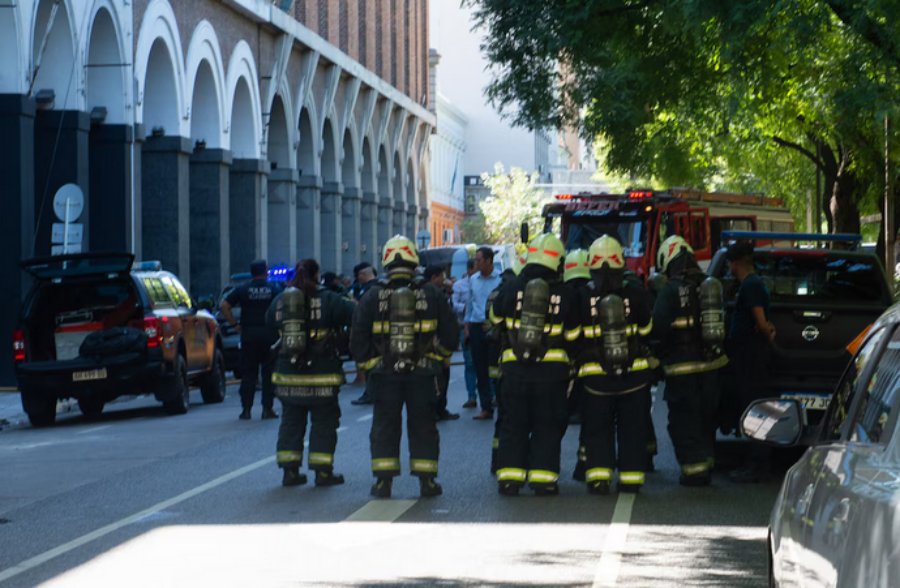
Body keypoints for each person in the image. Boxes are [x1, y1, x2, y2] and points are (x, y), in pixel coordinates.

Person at [350, 235, 458, 498]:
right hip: (423, 375)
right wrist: (436, 359)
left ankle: (382, 483)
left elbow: (357, 338)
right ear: (413, 259)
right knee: (423, 426)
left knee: (384, 427)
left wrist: (371, 365)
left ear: (386, 260)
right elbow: (451, 334)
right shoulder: (432, 292)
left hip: (385, 375)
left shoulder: (372, 295)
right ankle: (427, 482)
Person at [491, 233, 579, 496]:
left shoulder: (511, 287)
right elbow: (574, 335)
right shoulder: (566, 292)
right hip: (551, 375)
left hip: (514, 370)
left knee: (513, 424)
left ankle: (509, 479)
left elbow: (495, 319)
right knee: (547, 425)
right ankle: (543, 479)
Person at [574, 235, 655, 494]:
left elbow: (572, 336)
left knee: (598, 429)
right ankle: (631, 480)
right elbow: (647, 329)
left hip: (596, 379)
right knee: (632, 429)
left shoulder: (582, 296)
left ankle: (598, 479)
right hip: (634, 378)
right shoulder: (636, 292)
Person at [266, 259, 355, 487]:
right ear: (317, 275)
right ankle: (323, 473)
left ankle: (289, 472)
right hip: (322, 374)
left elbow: (269, 321)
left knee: (291, 423)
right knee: (324, 423)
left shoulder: (281, 300)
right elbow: (354, 314)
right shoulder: (329, 299)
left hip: (288, 375)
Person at [652, 235, 729, 486]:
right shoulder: (710, 285)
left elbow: (659, 329)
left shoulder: (670, 290)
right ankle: (706, 462)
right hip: (713, 367)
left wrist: (658, 356)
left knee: (683, 421)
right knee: (706, 418)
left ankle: (694, 471)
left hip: (682, 369)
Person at [725, 240, 775, 483]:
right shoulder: (752, 284)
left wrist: (768, 332)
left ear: (735, 264)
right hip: (751, 355)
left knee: (754, 408)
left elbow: (760, 321)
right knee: (754, 406)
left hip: (751, 356)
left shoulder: (751, 285)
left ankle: (757, 463)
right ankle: (756, 460)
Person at [221, 259, 281, 420]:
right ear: (266, 271)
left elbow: (224, 305)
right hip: (269, 334)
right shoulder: (274, 289)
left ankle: (246, 409)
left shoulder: (243, 289)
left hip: (249, 334)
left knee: (248, 373)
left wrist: (234, 324)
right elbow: (282, 307)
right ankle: (267, 409)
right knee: (268, 373)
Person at [561, 248, 592, 480]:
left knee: (555, 418)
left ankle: (543, 463)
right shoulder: (595, 294)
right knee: (592, 420)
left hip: (566, 368)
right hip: (594, 367)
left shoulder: (566, 295)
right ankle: (584, 464)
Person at [465, 247, 502, 420]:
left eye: (479, 260)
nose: (476, 262)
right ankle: (486, 407)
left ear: (489, 261)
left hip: (495, 328)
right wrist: (467, 326)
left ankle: (502, 403)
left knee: (497, 368)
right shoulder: (473, 280)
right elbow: (470, 305)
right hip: (476, 327)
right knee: (480, 369)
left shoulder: (501, 279)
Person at [424, 264, 460, 421]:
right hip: (436, 347)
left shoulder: (428, 292)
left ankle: (439, 409)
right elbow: (447, 321)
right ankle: (436, 410)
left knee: (440, 380)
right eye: (441, 277)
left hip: (432, 346)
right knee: (438, 380)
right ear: (434, 277)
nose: (444, 280)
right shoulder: (434, 294)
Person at [350, 262, 379, 400]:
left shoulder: (370, 289)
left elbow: (363, 308)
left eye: (359, 275)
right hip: (372, 331)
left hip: (369, 331)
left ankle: (371, 393)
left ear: (363, 275)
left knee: (370, 364)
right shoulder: (373, 287)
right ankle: (371, 391)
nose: (358, 278)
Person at [452, 259, 478, 409]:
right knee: (469, 363)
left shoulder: (484, 282)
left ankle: (490, 396)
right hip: (465, 327)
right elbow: (454, 304)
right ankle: (471, 396)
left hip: (481, 326)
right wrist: (467, 307)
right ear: (469, 270)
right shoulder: (459, 285)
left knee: (485, 362)